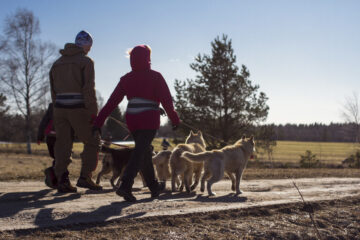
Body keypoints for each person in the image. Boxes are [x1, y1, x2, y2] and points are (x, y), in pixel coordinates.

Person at [93, 45, 180, 202]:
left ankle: (154, 187)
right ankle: (125, 185)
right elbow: (167, 100)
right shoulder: (156, 77)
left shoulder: (126, 79)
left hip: (132, 119)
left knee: (143, 151)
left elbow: (111, 103)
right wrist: (174, 119)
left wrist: (98, 122)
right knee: (139, 152)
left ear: (132, 59)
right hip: (149, 120)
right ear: (148, 58)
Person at [49, 30, 102, 193]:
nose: (90, 49)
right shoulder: (86, 61)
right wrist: (94, 113)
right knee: (93, 141)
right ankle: (85, 177)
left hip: (59, 109)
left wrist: (57, 106)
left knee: (62, 144)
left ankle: (62, 179)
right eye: (90, 46)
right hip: (78, 108)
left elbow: (53, 90)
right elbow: (88, 89)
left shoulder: (57, 63)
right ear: (86, 45)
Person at [37, 103, 74, 189]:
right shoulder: (73, 104)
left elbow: (44, 121)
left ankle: (55, 179)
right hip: (61, 137)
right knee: (64, 159)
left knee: (58, 159)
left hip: (49, 137)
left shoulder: (53, 105)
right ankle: (59, 179)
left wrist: (40, 136)